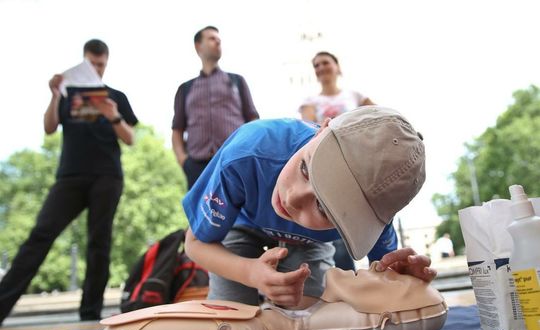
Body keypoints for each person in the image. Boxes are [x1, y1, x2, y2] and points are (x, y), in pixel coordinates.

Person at [182, 105, 436, 309]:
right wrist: (250, 273)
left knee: (314, 316)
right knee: (231, 318)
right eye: (305, 168)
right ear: (322, 129)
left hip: (308, 242)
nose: (292, 198)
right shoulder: (247, 154)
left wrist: (402, 282)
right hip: (242, 223)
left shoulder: (373, 212)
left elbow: (387, 282)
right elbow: (195, 244)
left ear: (364, 224)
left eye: (324, 208)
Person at [0, 39, 138, 324]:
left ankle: (90, 314)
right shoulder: (66, 95)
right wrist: (54, 94)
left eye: (101, 64)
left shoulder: (116, 96)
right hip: (70, 177)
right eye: (92, 64)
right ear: (83, 63)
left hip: (107, 177)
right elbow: (49, 128)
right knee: (40, 235)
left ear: (106, 63)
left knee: (99, 243)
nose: (97, 68)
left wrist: (113, 115)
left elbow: (130, 138)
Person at [300, 51, 375, 271]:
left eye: (325, 62)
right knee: (337, 221)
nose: (321, 67)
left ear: (337, 66)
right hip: (330, 167)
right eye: (316, 65)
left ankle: (382, 270)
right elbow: (307, 127)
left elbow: (379, 118)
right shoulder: (311, 101)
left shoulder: (356, 95)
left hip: (359, 165)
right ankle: (346, 278)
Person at [171, 25, 259, 189]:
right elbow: (177, 130)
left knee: (242, 213)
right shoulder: (186, 88)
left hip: (235, 160)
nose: (217, 42)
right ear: (198, 46)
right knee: (202, 214)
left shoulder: (237, 81)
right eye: (212, 39)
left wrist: (248, 153)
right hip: (197, 167)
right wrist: (183, 161)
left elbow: (253, 120)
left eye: (219, 40)